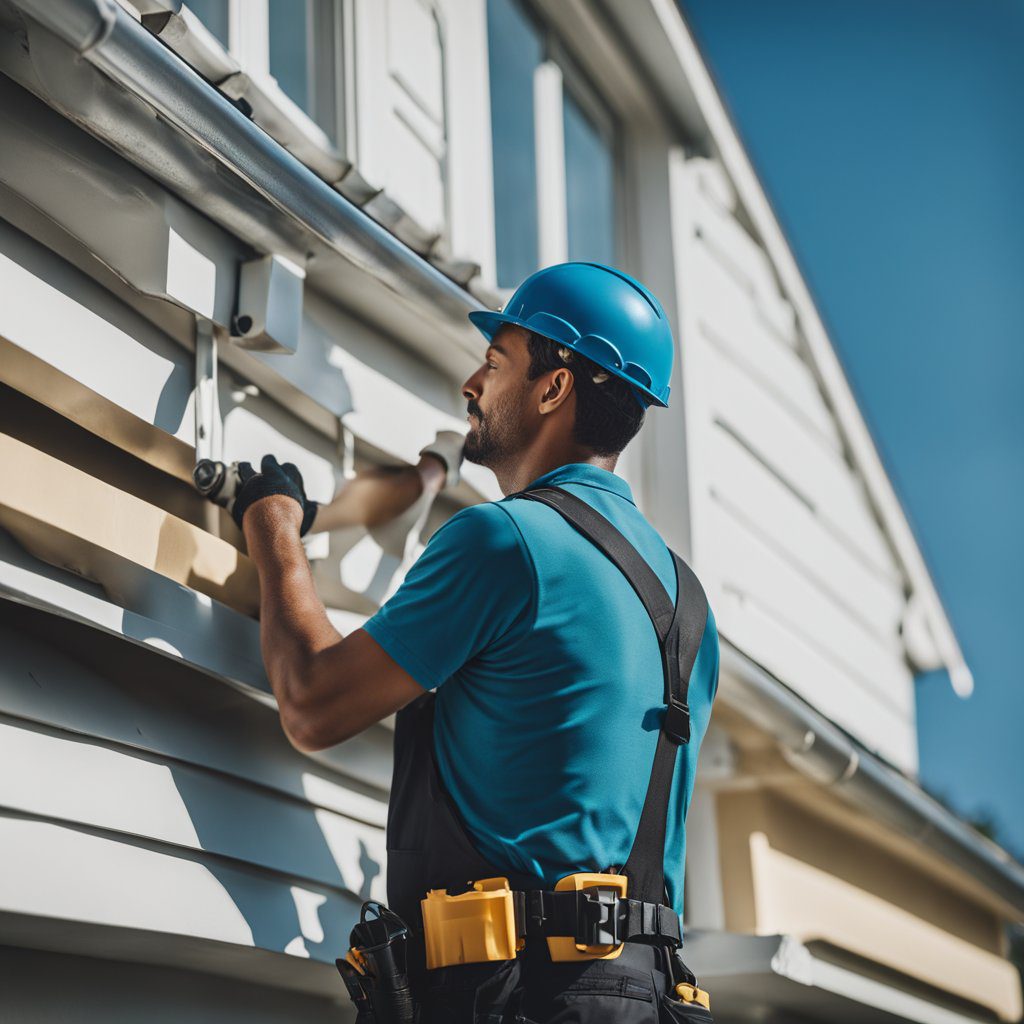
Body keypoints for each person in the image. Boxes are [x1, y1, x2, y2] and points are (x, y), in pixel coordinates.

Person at [204, 262, 719, 1023]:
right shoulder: (689, 607)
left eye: (495, 361)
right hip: (644, 998)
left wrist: (273, 527)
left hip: (513, 998)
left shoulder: (504, 541)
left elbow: (313, 703)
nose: (471, 384)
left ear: (554, 388)